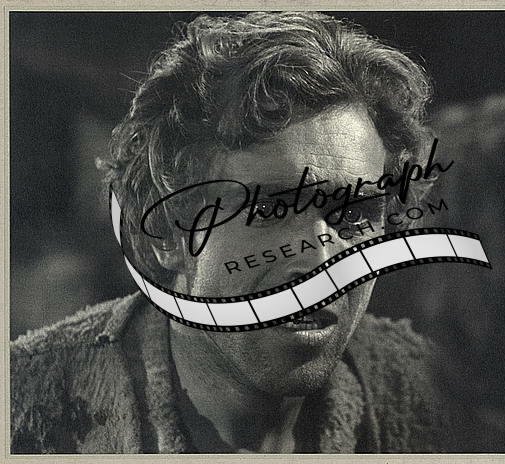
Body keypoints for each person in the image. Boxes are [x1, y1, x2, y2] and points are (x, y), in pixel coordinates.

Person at [11, 11, 453, 453]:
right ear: (166, 233)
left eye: (353, 215)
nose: (322, 263)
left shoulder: (430, 400)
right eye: (269, 210)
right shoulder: (24, 408)